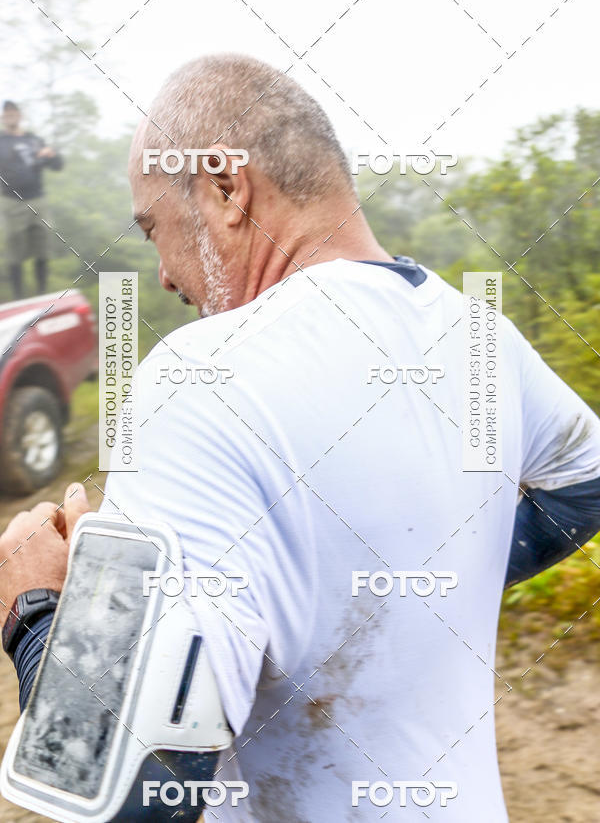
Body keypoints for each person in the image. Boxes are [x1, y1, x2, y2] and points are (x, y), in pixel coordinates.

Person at [1, 54, 600, 821]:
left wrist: (43, 609)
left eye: (155, 228)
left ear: (223, 185)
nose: (161, 275)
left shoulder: (200, 375)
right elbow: (582, 484)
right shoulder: (481, 336)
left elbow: (141, 794)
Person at [0, 100, 63, 298]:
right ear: (2, 117)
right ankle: (19, 297)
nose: (11, 115)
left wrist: (50, 155)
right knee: (14, 249)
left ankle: (41, 293)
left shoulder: (34, 140)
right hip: (11, 200)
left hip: (37, 199)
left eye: (14, 112)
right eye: (7, 113)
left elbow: (57, 164)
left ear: (20, 115)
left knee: (42, 245)